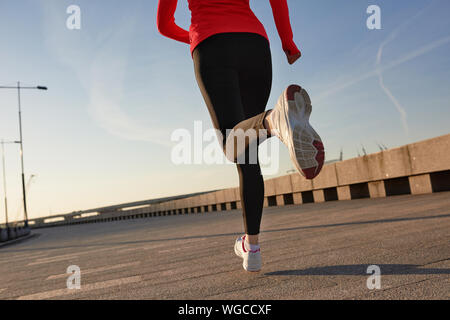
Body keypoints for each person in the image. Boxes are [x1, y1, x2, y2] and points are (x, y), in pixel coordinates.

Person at [157, 0, 324, 272]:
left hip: (211, 45)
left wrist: (194, 36)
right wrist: (288, 41)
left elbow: (164, 25)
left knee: (232, 144)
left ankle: (273, 120)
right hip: (255, 45)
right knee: (247, 148)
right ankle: (252, 248)